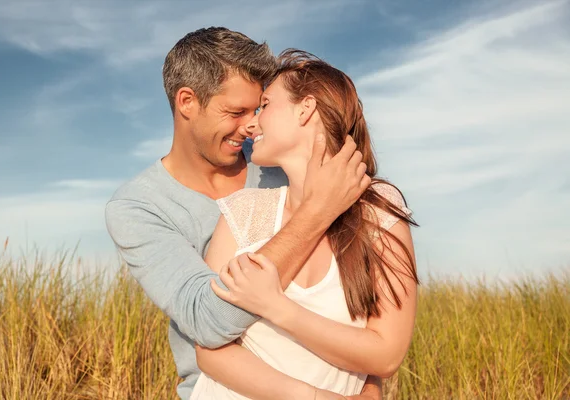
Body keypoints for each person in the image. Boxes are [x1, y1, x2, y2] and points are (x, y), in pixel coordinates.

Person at [105, 28, 380, 399]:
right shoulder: (138, 208)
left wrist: (369, 383)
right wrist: (316, 211)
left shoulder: (279, 165)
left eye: (259, 108)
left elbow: (355, 283)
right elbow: (206, 319)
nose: (251, 126)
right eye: (235, 112)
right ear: (187, 101)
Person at [191, 50, 419, 399]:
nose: (251, 124)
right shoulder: (244, 210)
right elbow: (208, 348)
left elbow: (386, 354)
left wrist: (276, 307)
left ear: (306, 108)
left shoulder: (378, 210)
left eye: (264, 105)